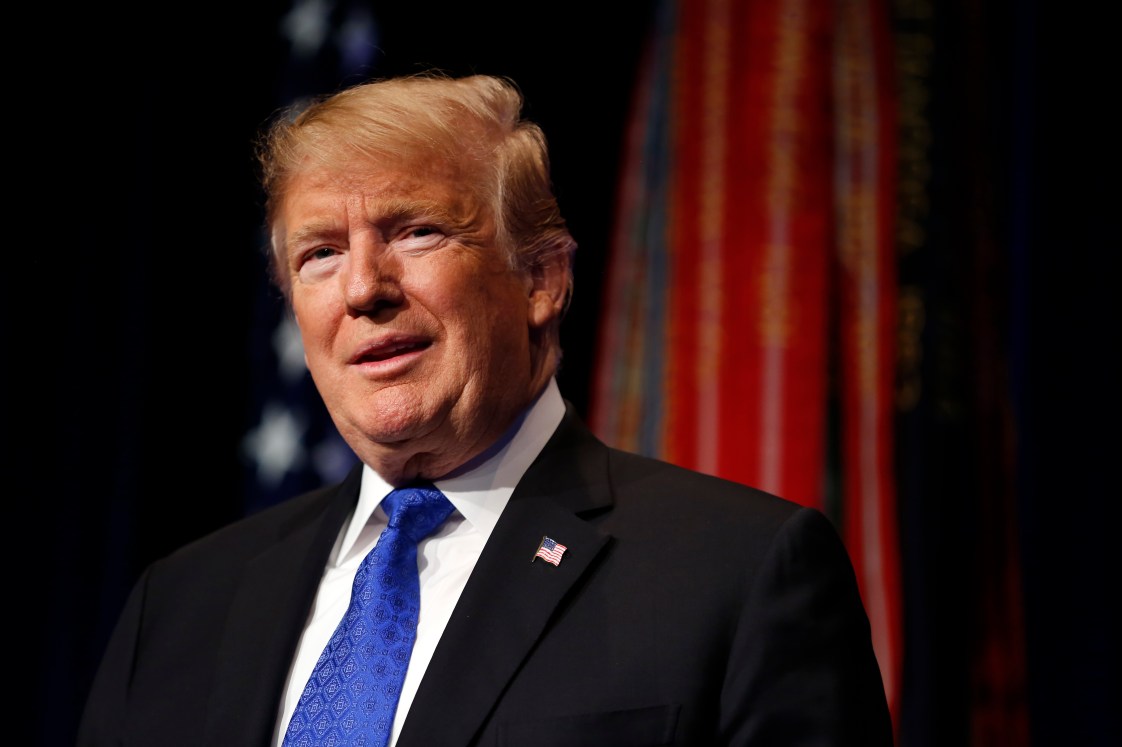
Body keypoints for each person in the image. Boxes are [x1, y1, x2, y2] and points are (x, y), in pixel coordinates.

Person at [79, 72, 894, 747]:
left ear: (541, 278)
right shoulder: (179, 606)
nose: (363, 290)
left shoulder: (737, 574)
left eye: (418, 231)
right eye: (320, 253)